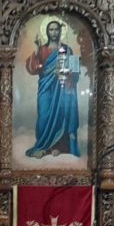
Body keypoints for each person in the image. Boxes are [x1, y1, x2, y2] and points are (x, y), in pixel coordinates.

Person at [25, 21, 80, 158]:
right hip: (46, 86)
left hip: (61, 87)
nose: (54, 32)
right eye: (51, 30)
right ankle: (43, 146)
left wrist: (67, 72)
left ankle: (58, 146)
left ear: (60, 31)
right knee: (44, 116)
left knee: (60, 115)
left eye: (56, 29)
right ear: (47, 32)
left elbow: (74, 71)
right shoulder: (42, 49)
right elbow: (33, 69)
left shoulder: (67, 49)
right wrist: (36, 48)